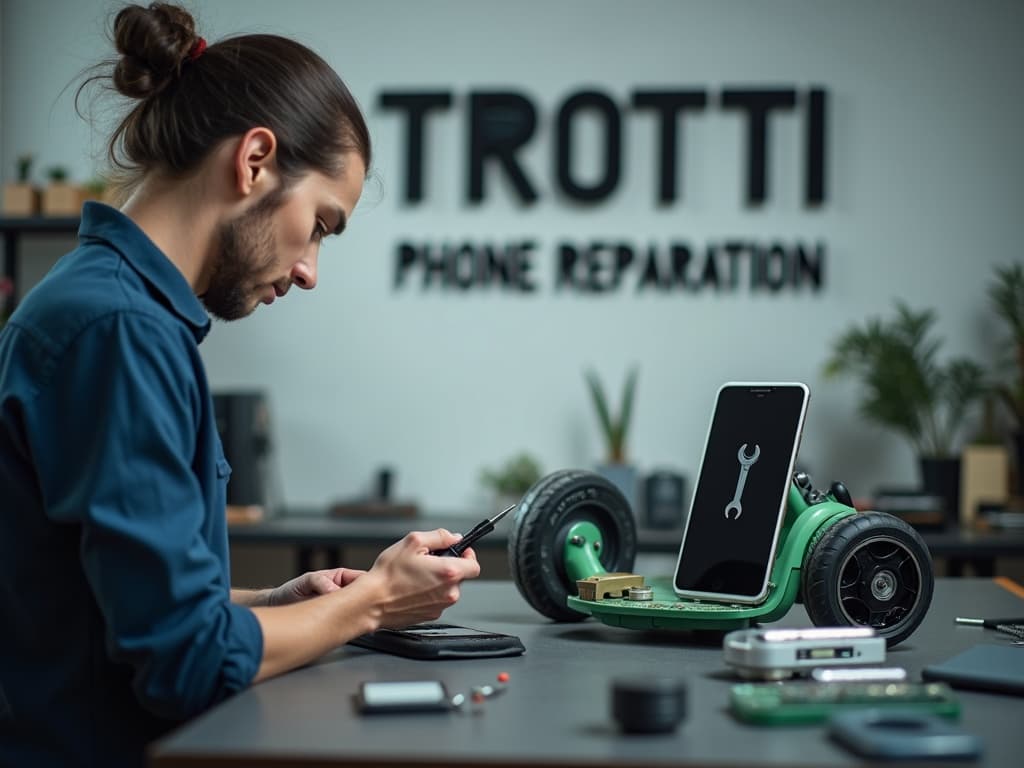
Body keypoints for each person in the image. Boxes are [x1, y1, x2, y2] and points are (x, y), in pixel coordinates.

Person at [0, 4, 480, 767]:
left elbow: (109, 607)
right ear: (255, 159)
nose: (309, 271)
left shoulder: (112, 310)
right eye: (321, 224)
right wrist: (375, 602)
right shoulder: (119, 330)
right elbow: (186, 664)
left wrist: (270, 604)